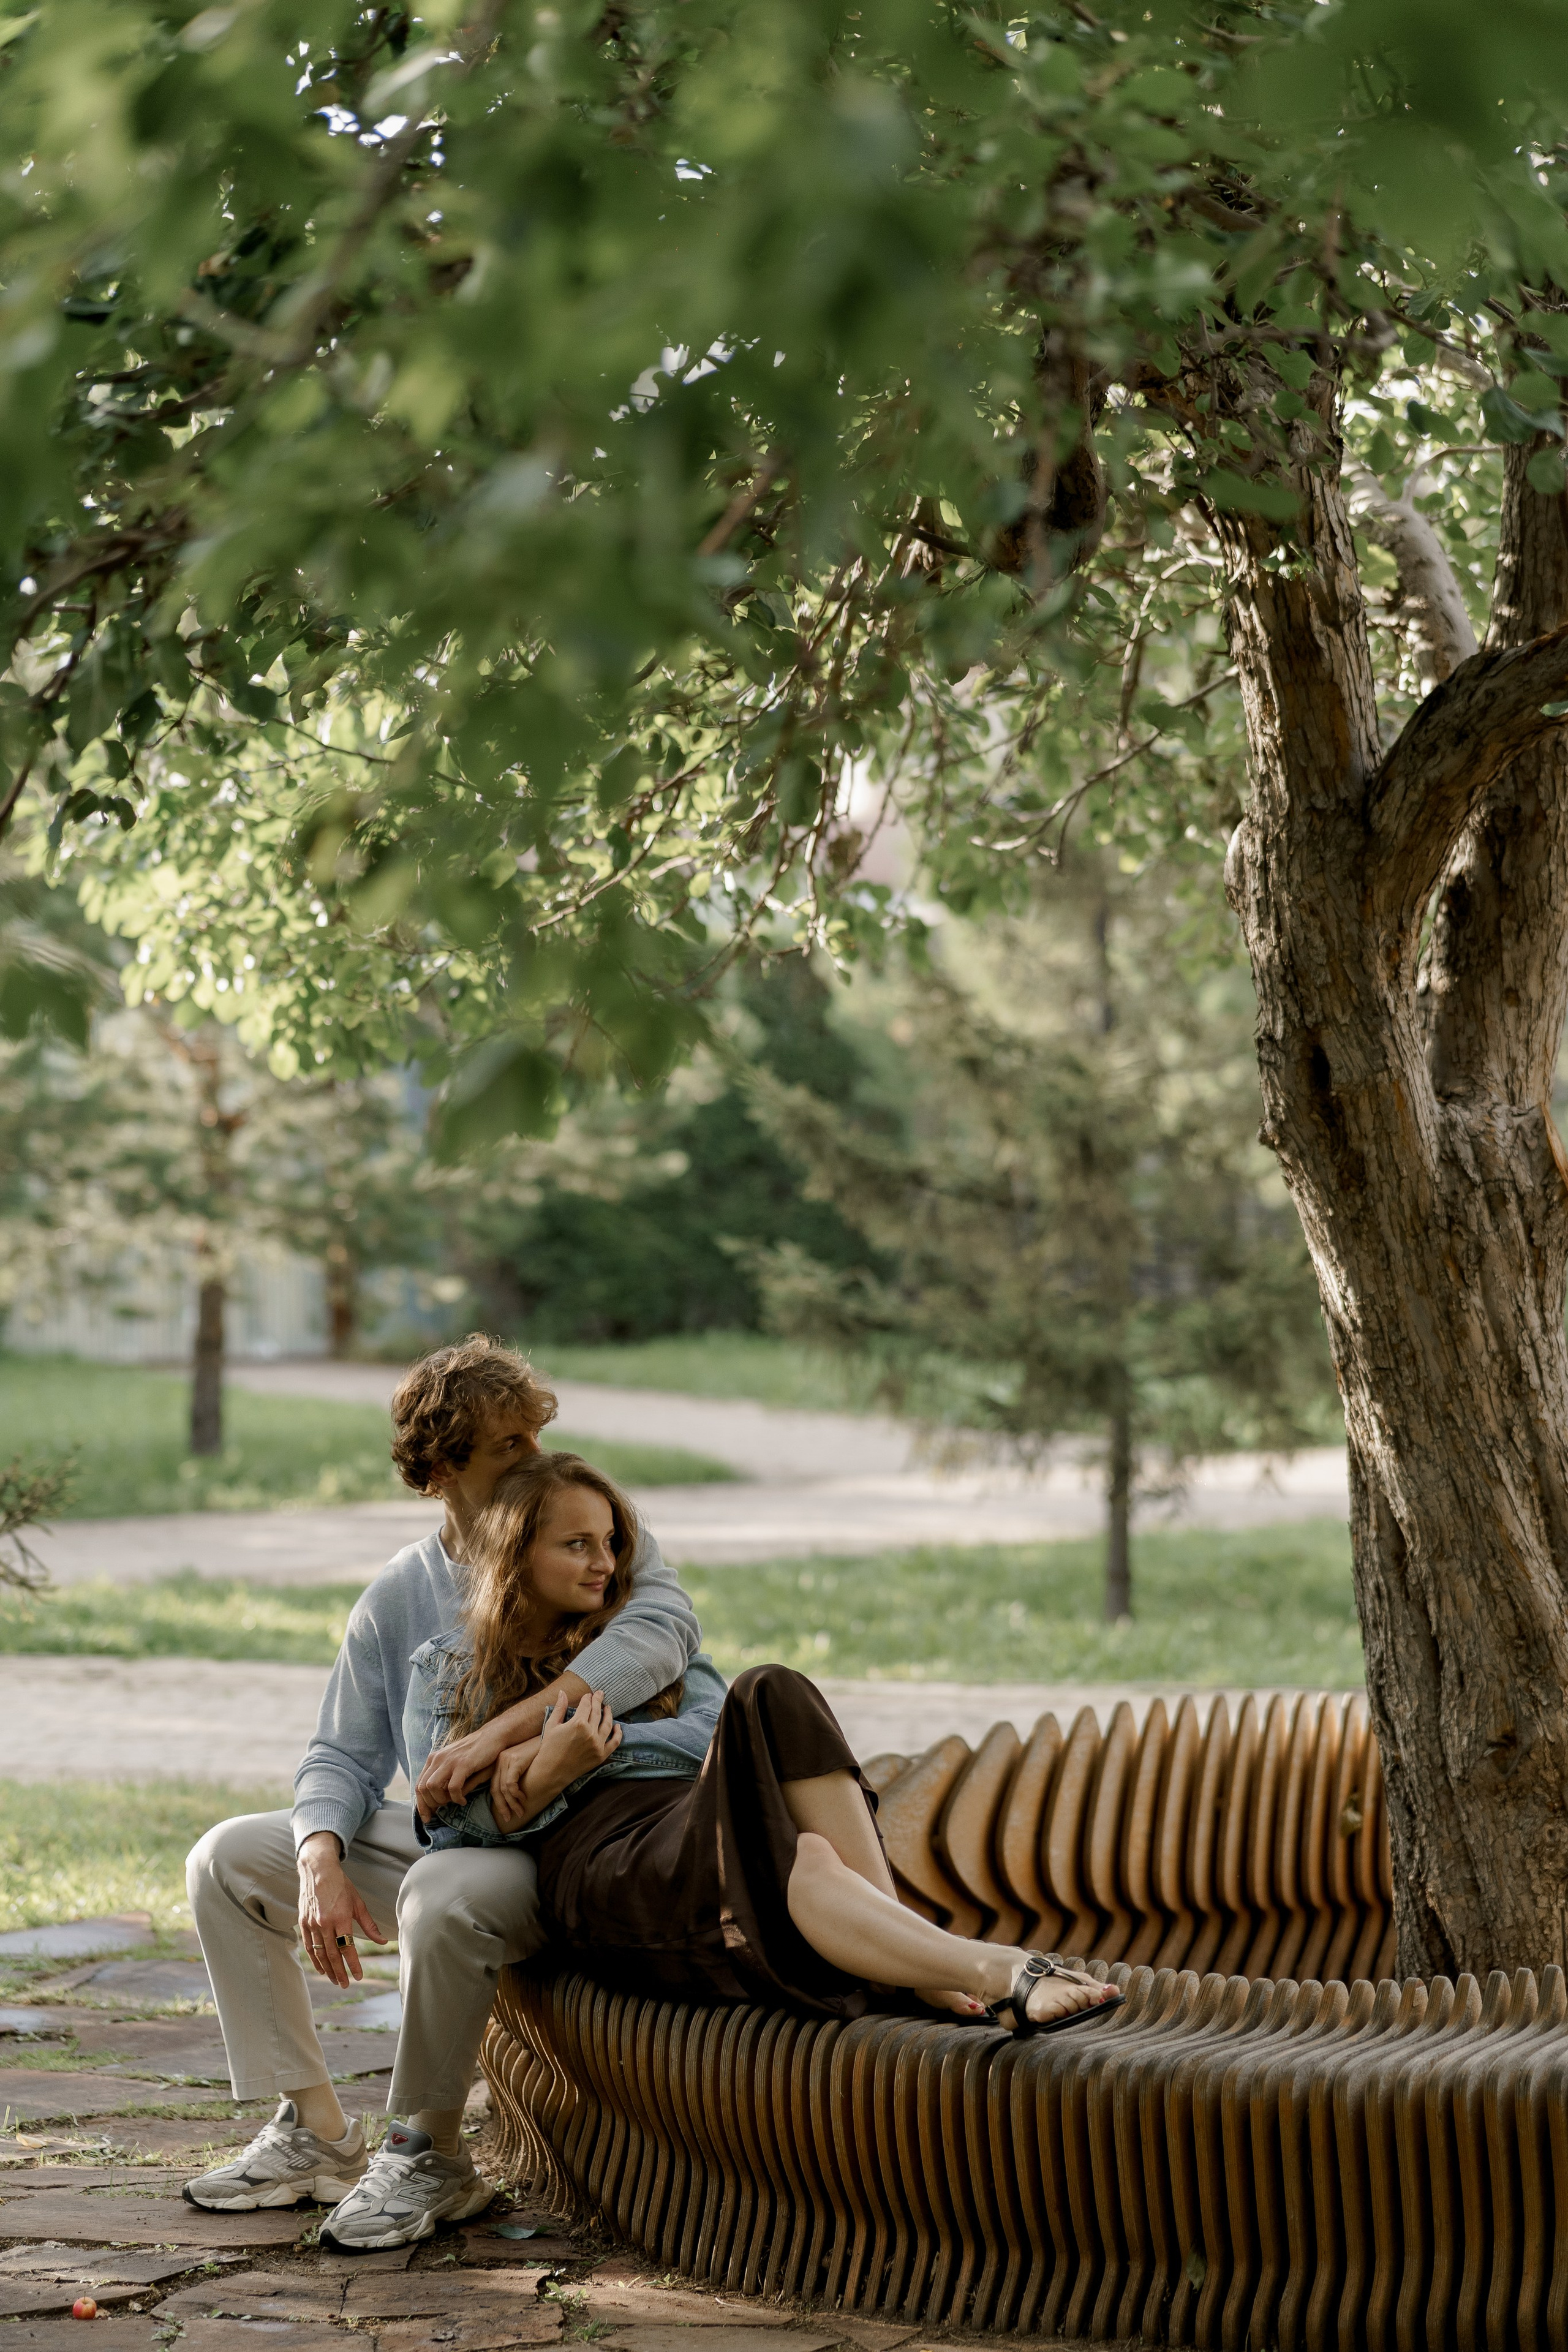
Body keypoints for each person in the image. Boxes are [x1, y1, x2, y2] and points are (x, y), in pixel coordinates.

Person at [181, 1336, 699, 2250]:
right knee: (225, 1858)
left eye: (534, 1437)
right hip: (452, 1836)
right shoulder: (401, 1595)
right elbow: (340, 1753)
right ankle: (320, 2135)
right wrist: (319, 1858)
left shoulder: (591, 1537)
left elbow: (666, 1632)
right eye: (508, 1446)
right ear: (442, 1467)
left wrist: (511, 1731)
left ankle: (428, 2154)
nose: (534, 1460)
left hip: (565, 1848)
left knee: (442, 1888)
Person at [383, 1448, 1121, 2073]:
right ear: (517, 1552)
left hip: (699, 1811)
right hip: (608, 1862)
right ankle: (982, 1968)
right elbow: (444, 1823)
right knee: (799, 1845)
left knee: (772, 1698)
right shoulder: (447, 1668)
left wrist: (576, 1746)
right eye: (576, 1545)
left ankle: (939, 1962)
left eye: (611, 1543)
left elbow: (712, 1727)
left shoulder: (638, 1641)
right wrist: (554, 1771)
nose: (604, 1564)